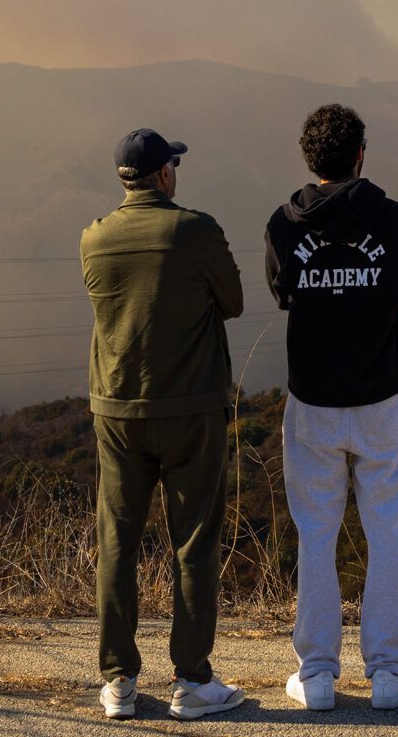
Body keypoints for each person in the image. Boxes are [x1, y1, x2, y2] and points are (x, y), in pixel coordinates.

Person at [81, 127, 247, 720]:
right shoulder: (196, 231)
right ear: (166, 174)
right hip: (190, 410)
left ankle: (118, 681)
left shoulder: (94, 239)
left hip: (118, 411)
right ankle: (193, 681)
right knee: (194, 543)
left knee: (117, 544)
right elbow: (233, 301)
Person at [264, 103, 398, 713]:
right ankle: (386, 674)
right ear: (360, 156)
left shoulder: (282, 223)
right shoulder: (394, 218)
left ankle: (319, 675)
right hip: (382, 395)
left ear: (311, 159)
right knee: (386, 534)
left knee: (315, 535)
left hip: (312, 402)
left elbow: (284, 292)